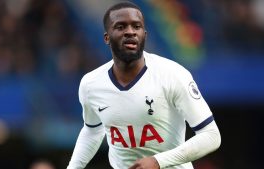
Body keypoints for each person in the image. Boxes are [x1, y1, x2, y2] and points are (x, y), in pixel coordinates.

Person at [67, 1, 221, 169]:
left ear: (144, 35)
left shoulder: (173, 74)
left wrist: (158, 161)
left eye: (136, 26)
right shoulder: (91, 84)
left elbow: (211, 135)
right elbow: (92, 130)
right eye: (120, 27)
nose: (130, 32)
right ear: (106, 37)